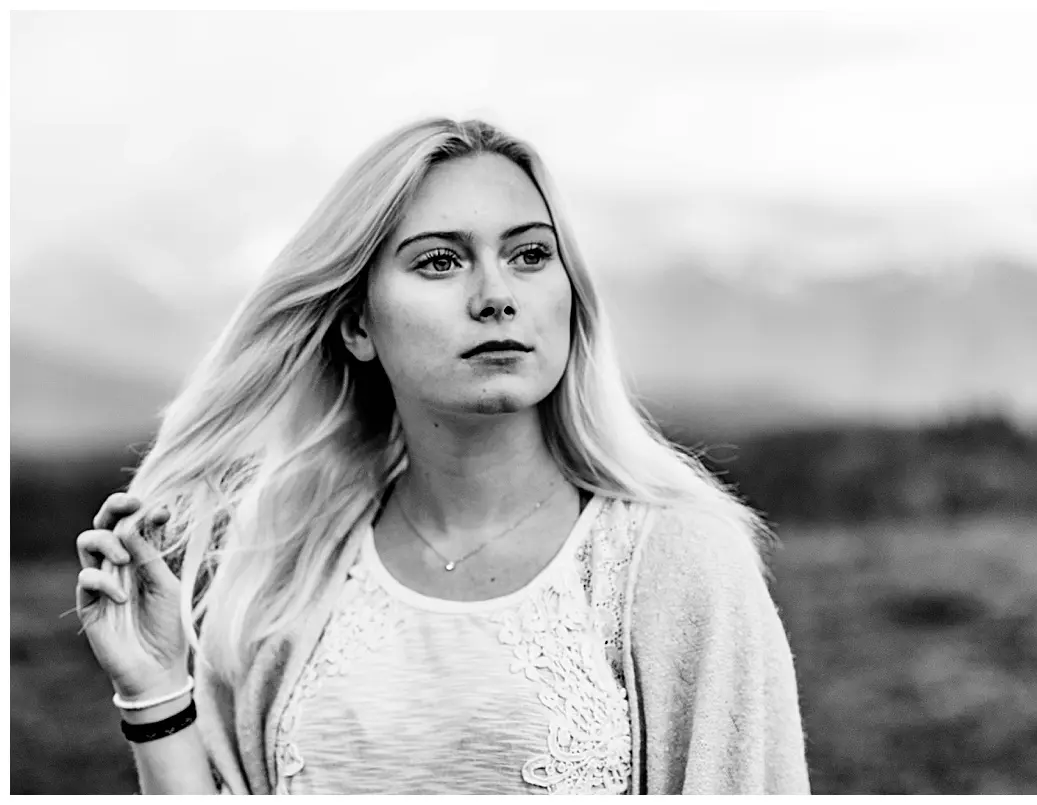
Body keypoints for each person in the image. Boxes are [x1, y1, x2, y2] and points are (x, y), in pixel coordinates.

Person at [74, 118, 811, 795]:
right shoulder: (288, 563)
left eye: (529, 255)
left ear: (571, 293)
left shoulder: (677, 560)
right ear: (359, 324)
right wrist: (155, 690)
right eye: (439, 262)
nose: (496, 295)